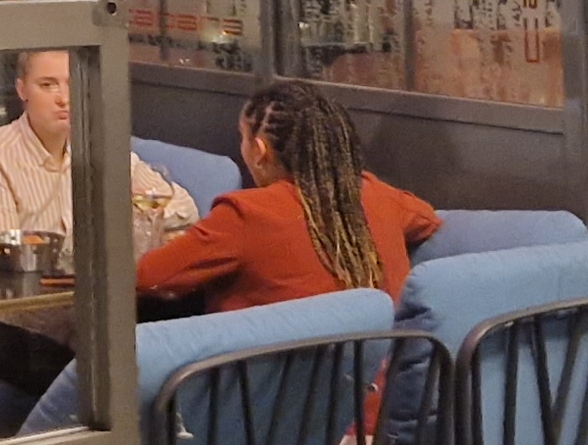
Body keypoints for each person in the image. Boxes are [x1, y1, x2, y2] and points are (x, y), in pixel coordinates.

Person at [135, 80, 438, 314]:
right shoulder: (378, 195)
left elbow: (147, 277)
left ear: (260, 150)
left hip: (268, 376)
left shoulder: (246, 214)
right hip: (371, 373)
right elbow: (427, 219)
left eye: (243, 138)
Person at [0, 48, 200, 245]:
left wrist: (129, 219)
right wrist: (124, 225)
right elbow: (5, 248)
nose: (64, 98)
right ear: (22, 90)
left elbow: (185, 209)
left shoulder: (100, 143)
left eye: (73, 84)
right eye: (48, 85)